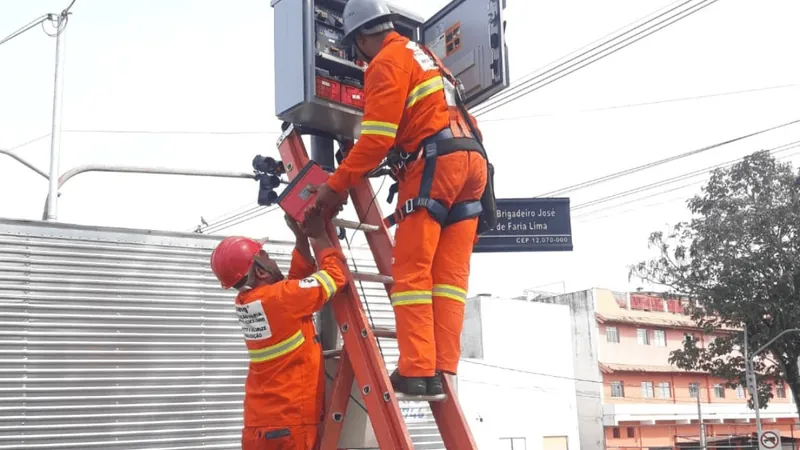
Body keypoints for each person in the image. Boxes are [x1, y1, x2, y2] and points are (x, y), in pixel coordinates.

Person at [309, 0, 488, 397]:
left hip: (435, 165)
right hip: (472, 164)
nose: (356, 61)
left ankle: (416, 370)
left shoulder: (385, 62)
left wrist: (335, 185)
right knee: (449, 280)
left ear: (360, 39)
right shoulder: (424, 55)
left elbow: (376, 138)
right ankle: (440, 371)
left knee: (411, 273)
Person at [209, 212, 348, 450]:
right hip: (290, 425)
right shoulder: (280, 298)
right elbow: (336, 276)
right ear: (261, 271)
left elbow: (294, 286)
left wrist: (300, 239)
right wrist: (319, 235)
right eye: (268, 258)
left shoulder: (251, 301)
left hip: (259, 426)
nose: (273, 262)